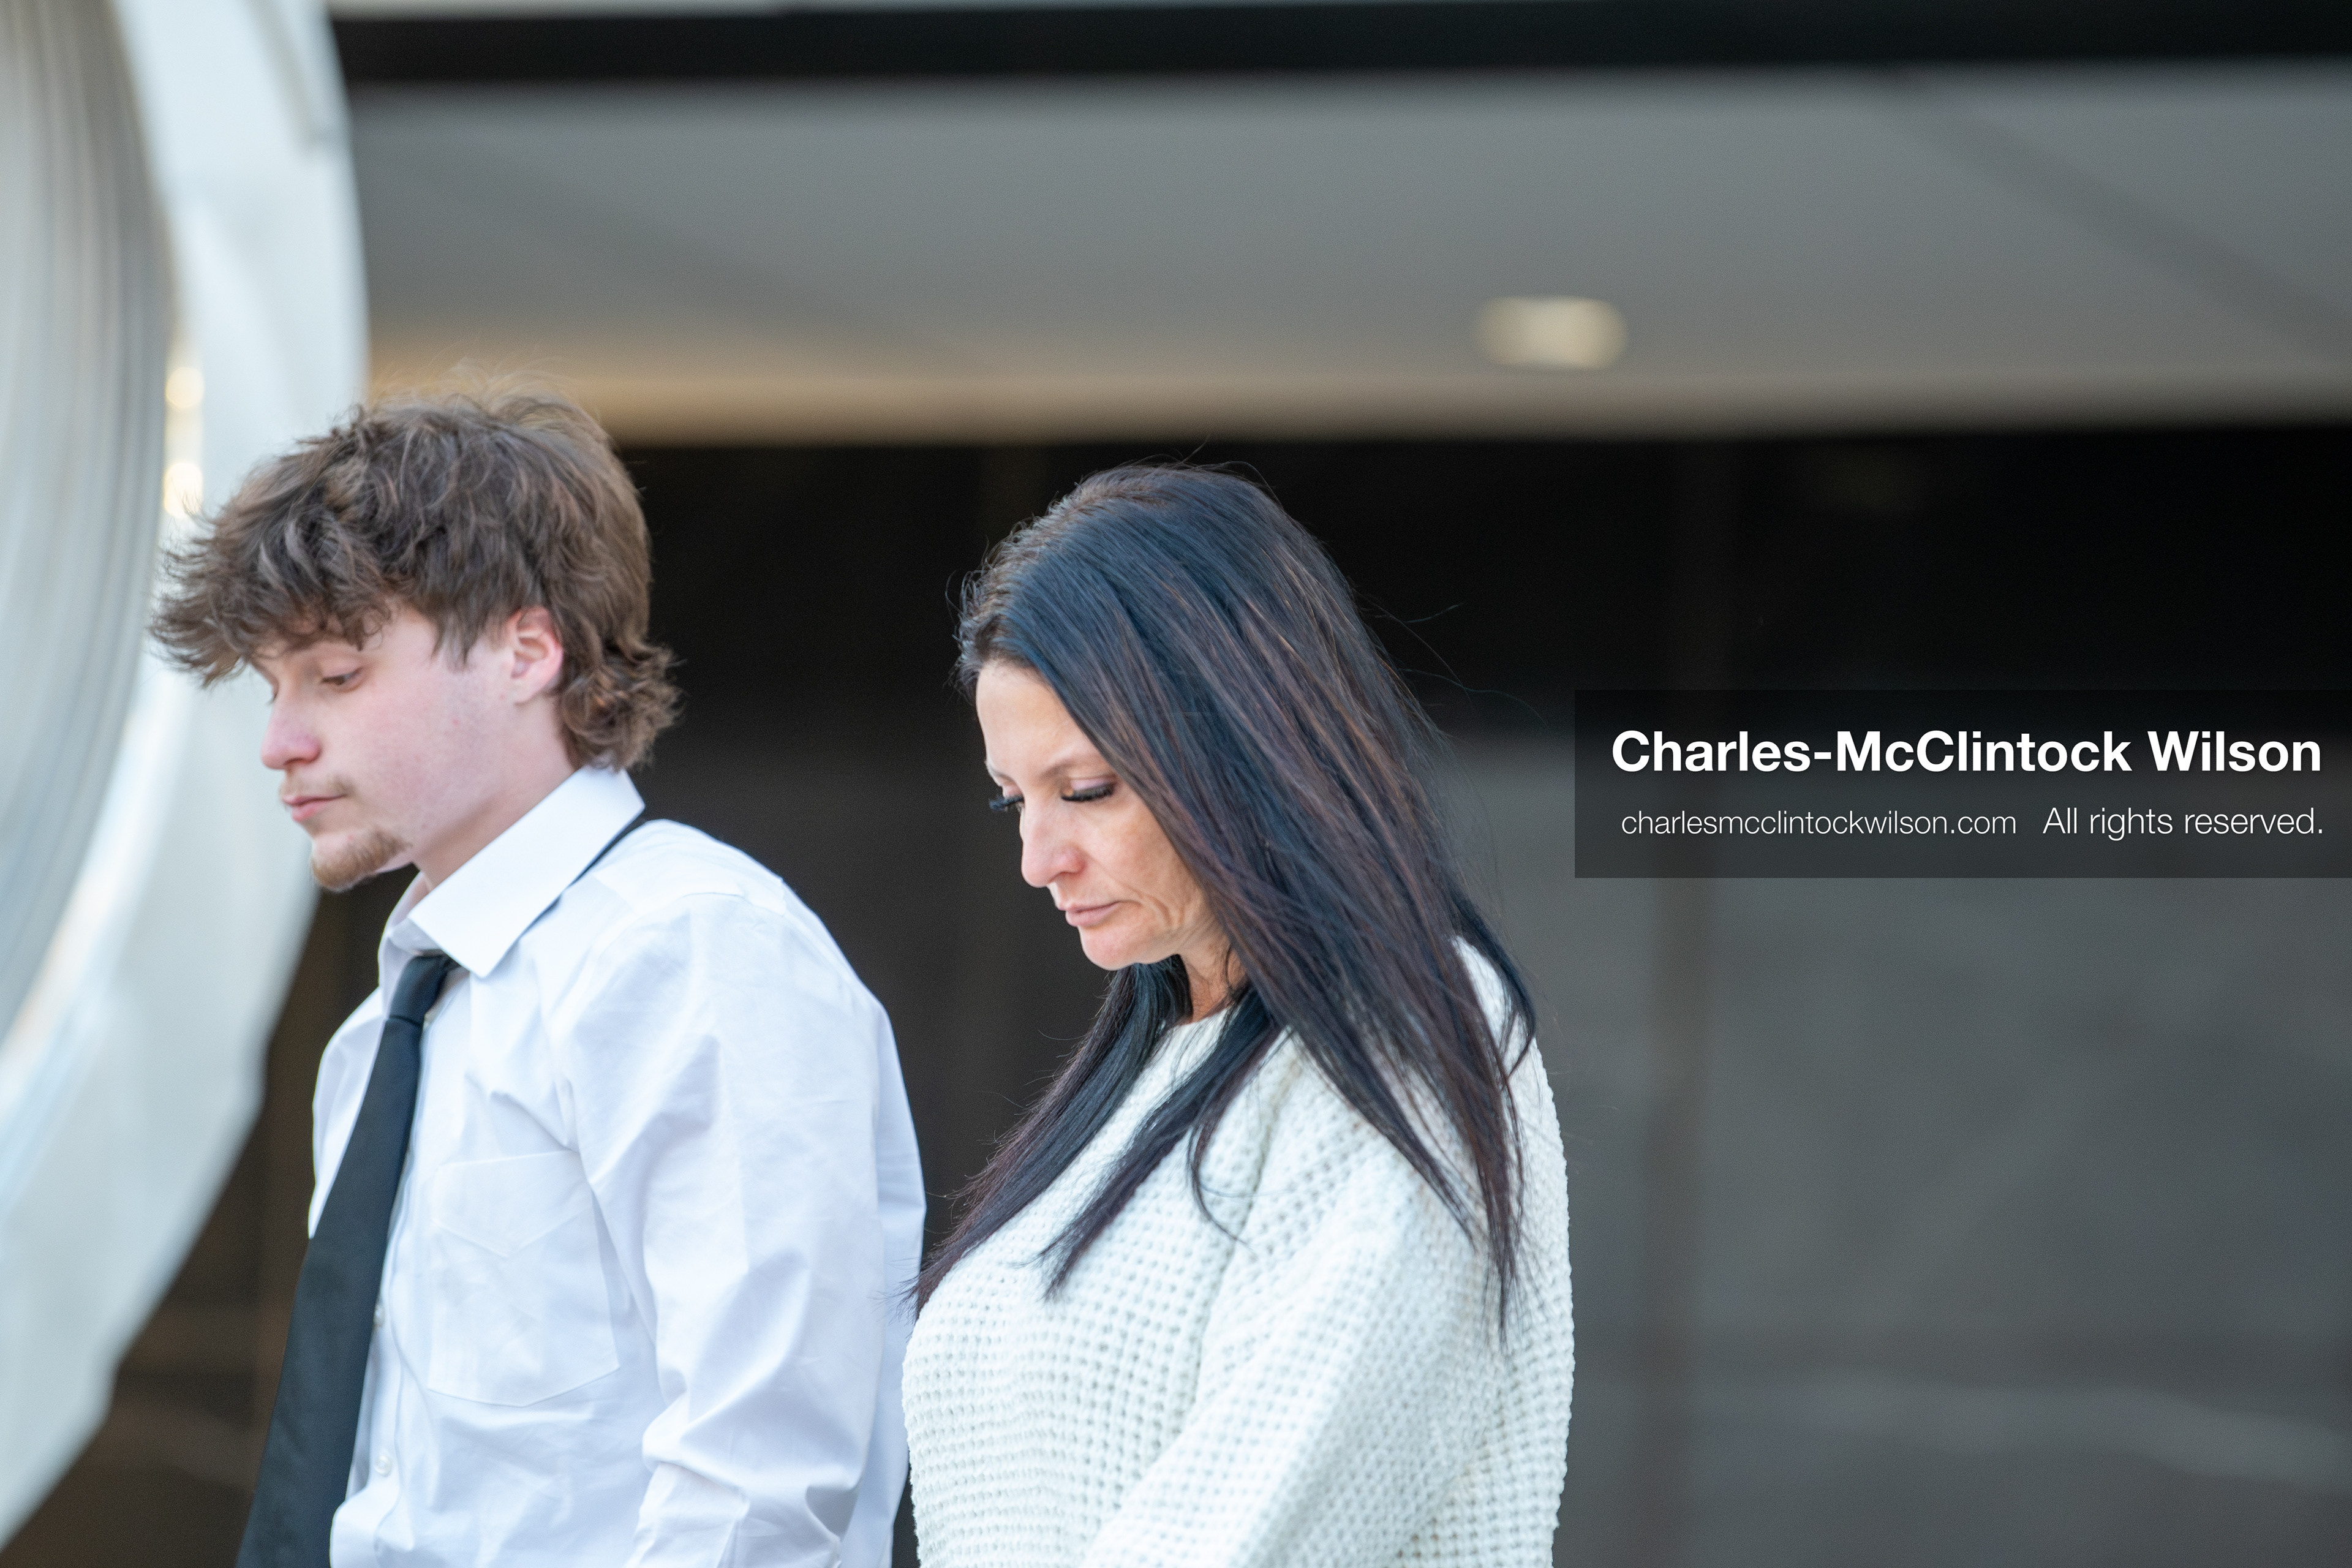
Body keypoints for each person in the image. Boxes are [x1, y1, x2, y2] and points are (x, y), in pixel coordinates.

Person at [151, 387, 923, 1568]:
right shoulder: (383, 1037)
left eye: (336, 675)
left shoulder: (689, 951)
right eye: (272, 686)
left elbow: (757, 1485)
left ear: (527, 651)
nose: (279, 742)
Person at [900, 466, 1573, 1566]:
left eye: (1086, 791)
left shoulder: (1405, 1032)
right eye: (1011, 798)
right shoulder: (1156, 1051)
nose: (1038, 858)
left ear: (1243, 741)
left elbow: (1256, 1520)